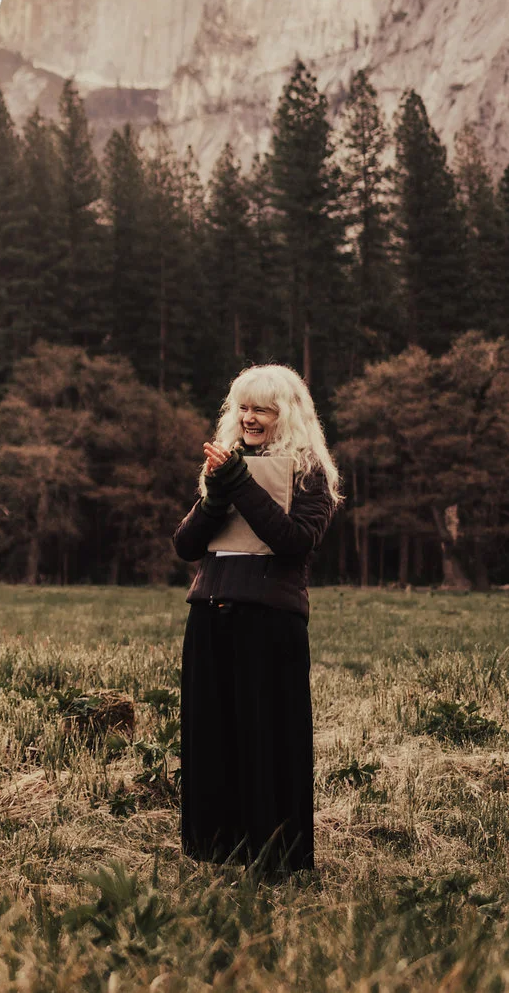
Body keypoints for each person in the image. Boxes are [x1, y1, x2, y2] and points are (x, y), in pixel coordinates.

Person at [170, 363, 340, 876]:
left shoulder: (311, 474)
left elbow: (292, 542)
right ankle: (216, 853)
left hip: (270, 626)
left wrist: (239, 483)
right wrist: (217, 493)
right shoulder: (227, 468)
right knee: (213, 738)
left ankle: (275, 860)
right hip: (210, 619)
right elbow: (186, 546)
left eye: (261, 409)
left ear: (285, 415)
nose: (249, 417)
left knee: (269, 741)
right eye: (243, 407)